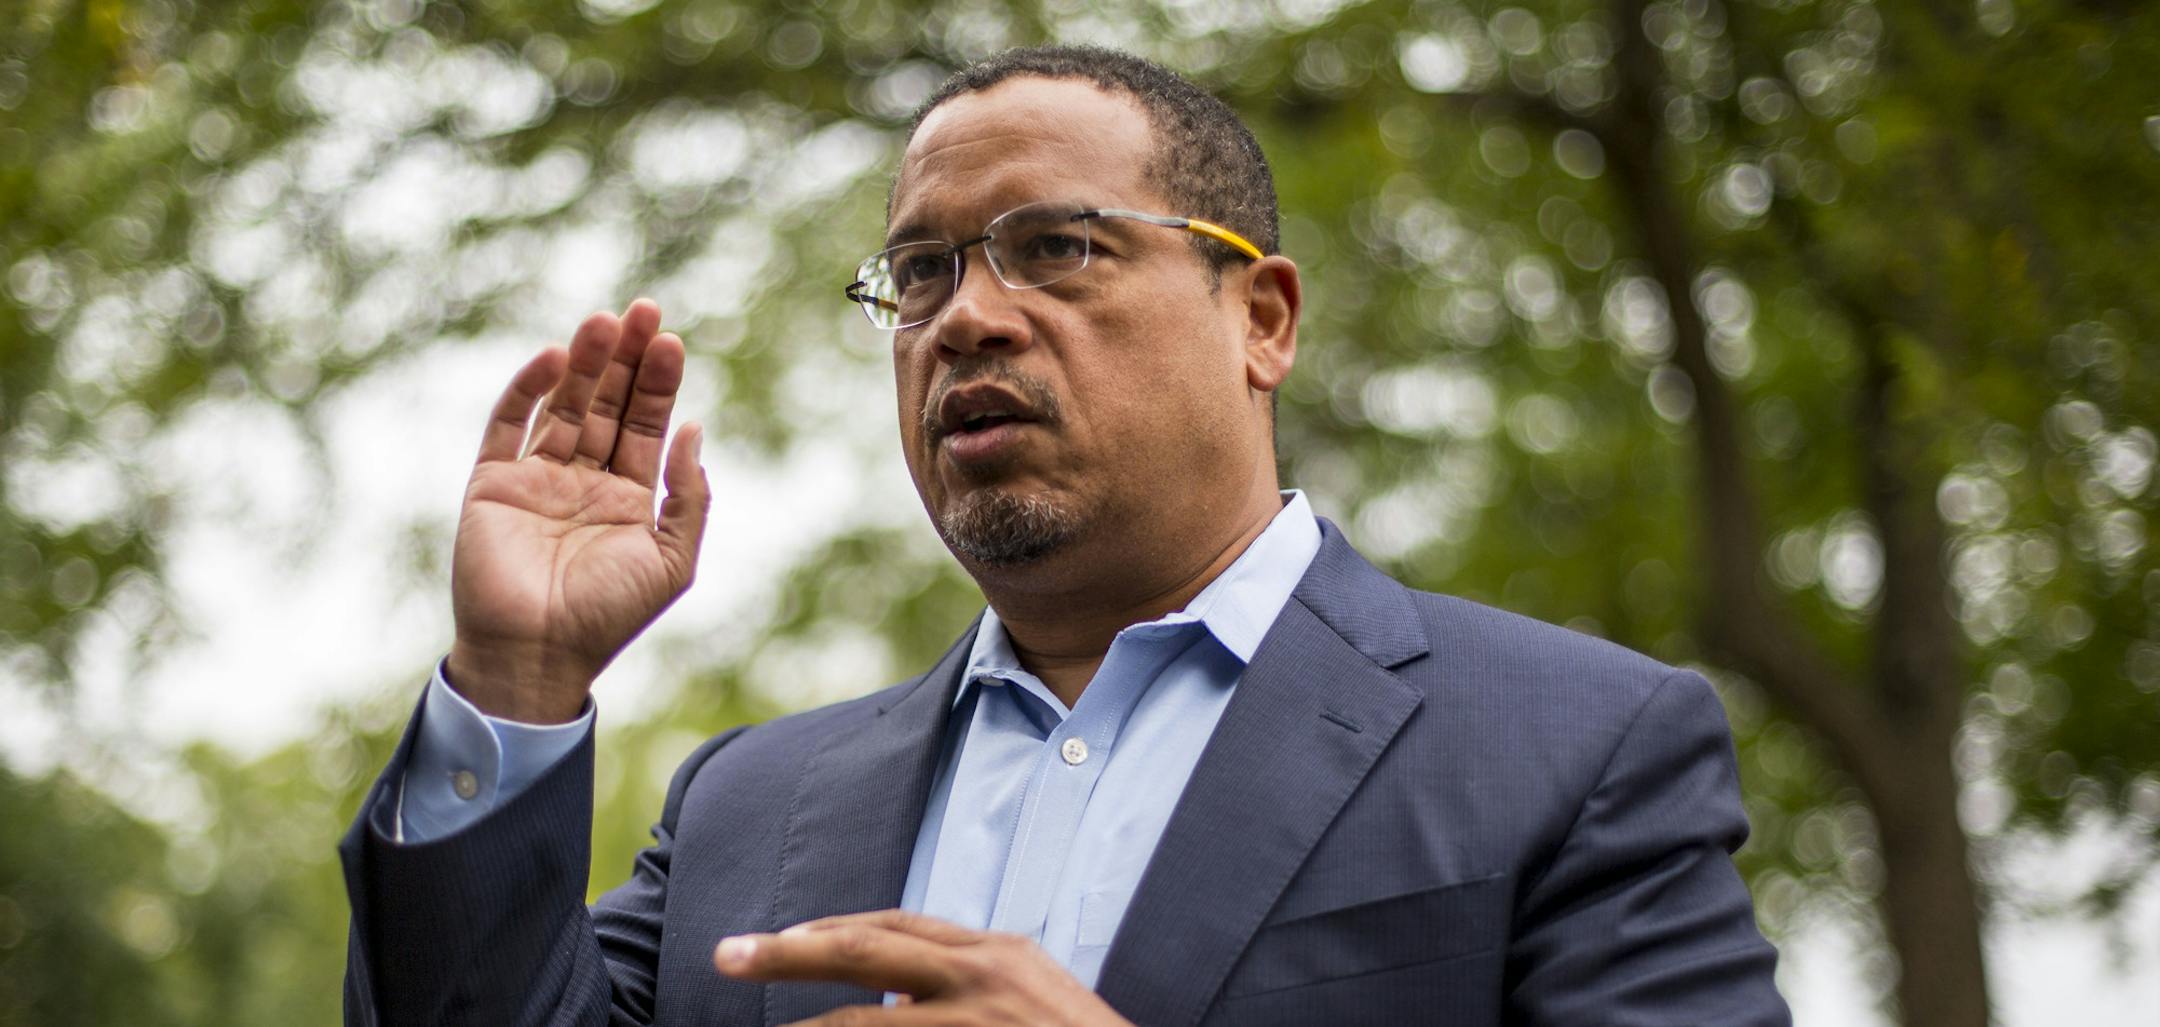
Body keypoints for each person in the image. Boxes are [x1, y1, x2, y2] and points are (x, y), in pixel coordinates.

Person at [339, 45, 1789, 1026]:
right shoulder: (747, 806)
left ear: (1262, 320)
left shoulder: (1580, 749)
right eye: (920, 272)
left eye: (1058, 247)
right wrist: (514, 684)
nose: (966, 313)